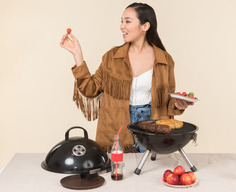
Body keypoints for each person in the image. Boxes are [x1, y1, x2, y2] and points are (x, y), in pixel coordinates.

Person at [60, 2, 193, 153]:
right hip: (116, 127)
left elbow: (167, 101)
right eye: (121, 21)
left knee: (149, 171)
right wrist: (77, 55)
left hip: (152, 128)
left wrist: (178, 104)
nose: (122, 26)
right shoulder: (111, 57)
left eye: (127, 21)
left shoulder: (165, 60)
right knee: (120, 171)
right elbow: (90, 90)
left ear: (145, 26)